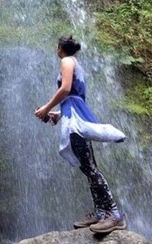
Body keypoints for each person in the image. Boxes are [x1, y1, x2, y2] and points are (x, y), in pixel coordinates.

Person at [34, 34, 127, 234]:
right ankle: (101, 212)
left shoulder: (66, 61)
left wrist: (46, 107)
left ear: (60, 47)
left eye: (56, 46)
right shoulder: (77, 63)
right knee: (88, 168)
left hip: (76, 122)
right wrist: (59, 115)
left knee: (90, 169)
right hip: (75, 116)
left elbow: (66, 89)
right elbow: (74, 97)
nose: (56, 49)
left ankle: (113, 213)